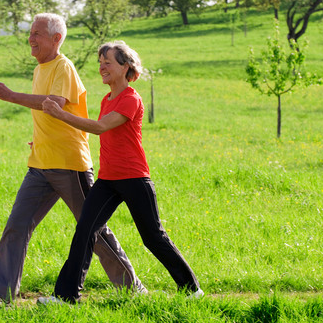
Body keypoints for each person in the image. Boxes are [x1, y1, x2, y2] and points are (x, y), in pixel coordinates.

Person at [0, 14, 145, 306]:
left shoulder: (64, 67)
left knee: (93, 230)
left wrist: (11, 96)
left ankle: (131, 287)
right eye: (31, 33)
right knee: (17, 225)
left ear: (56, 39)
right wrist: (40, 139)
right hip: (40, 163)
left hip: (69, 164)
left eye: (37, 33)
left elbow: (55, 104)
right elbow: (47, 113)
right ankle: (0, 295)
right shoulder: (40, 69)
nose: (31, 39)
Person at [39, 41, 203, 304]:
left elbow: (100, 127)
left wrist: (59, 114)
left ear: (125, 66)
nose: (102, 67)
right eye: (100, 62)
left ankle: (192, 290)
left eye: (108, 62)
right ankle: (66, 296)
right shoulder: (107, 99)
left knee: (153, 237)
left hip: (134, 178)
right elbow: (93, 128)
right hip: (108, 180)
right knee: (85, 232)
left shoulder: (130, 99)